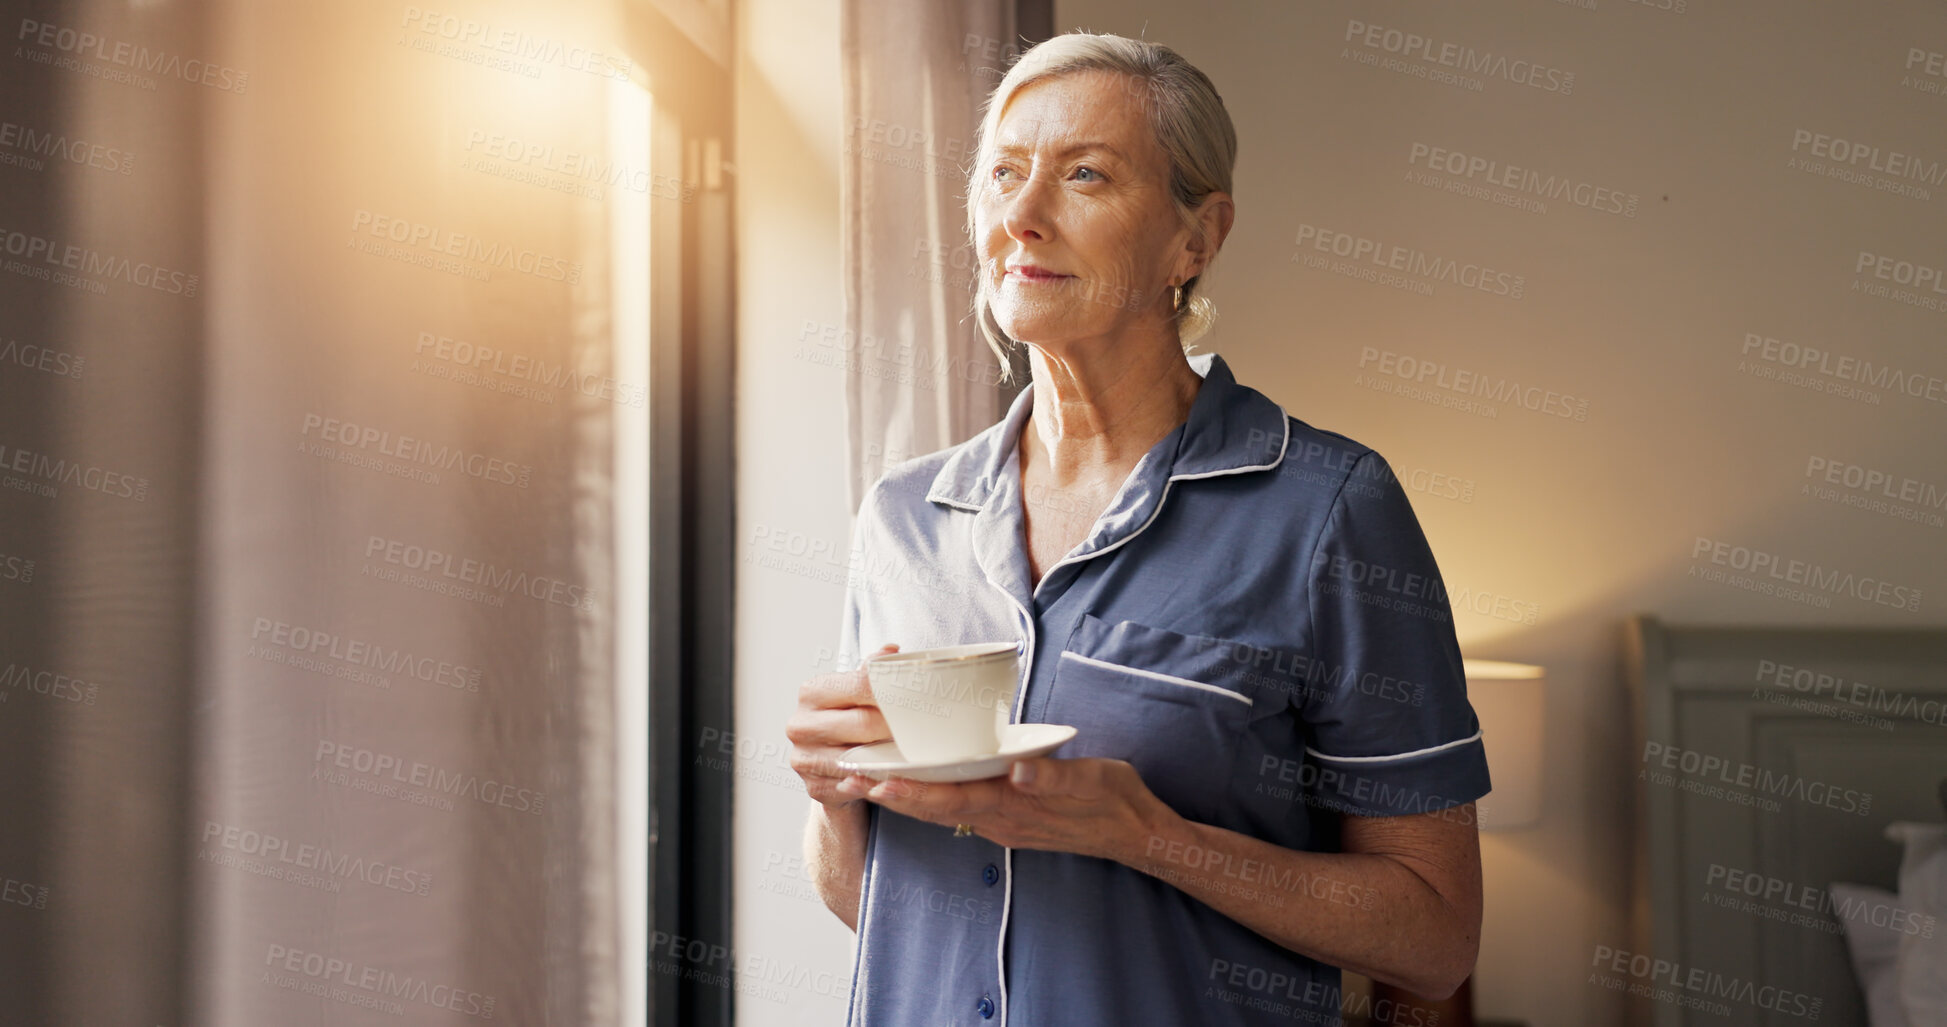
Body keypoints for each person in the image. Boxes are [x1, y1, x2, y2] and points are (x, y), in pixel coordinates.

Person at [785, 30, 1490, 1027]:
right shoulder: (905, 516)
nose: (1021, 217)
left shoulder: (1331, 512)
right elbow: (878, 904)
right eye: (1002, 175)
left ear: (1194, 240)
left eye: (1084, 175)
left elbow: (1435, 936)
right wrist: (833, 791)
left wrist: (1152, 836)